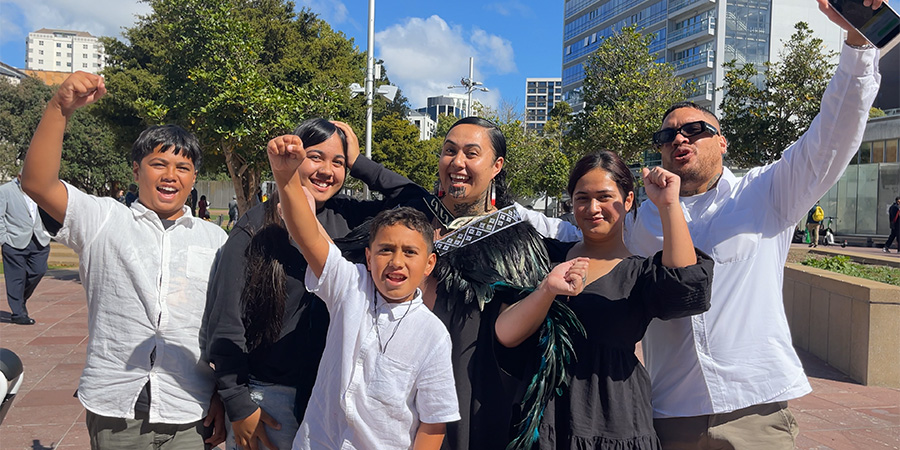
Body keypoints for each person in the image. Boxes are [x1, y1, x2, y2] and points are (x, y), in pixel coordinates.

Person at [625, 2, 882, 447]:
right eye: (666, 136)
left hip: (757, 412)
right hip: (669, 413)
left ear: (722, 142)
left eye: (695, 130)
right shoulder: (638, 220)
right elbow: (574, 237)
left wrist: (858, 41)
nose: (679, 139)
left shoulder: (765, 193)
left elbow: (831, 139)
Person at [20, 71, 227, 449]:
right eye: (158, 163)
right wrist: (59, 109)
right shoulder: (102, 219)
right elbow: (36, 182)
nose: (170, 176)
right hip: (116, 406)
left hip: (189, 406)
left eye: (182, 168)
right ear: (136, 169)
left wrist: (220, 394)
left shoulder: (214, 238)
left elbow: (219, 325)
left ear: (194, 176)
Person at [204, 119, 426, 450]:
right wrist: (238, 401)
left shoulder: (350, 217)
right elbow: (224, 321)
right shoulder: (255, 226)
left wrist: (359, 161)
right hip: (272, 400)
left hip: (335, 399)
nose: (327, 170)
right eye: (316, 157)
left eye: (338, 162)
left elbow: (419, 204)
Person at [496, 151, 713, 449]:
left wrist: (668, 204)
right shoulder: (547, 257)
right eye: (582, 198)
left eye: (605, 197)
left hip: (615, 419)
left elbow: (686, 286)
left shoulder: (641, 273)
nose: (593, 208)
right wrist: (547, 290)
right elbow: (506, 334)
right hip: (543, 419)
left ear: (627, 201)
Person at [267, 134, 460, 450]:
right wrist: (284, 176)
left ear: (429, 264)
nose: (396, 262)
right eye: (386, 250)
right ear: (368, 257)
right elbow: (307, 235)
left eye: (410, 252)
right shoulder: (349, 286)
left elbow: (433, 423)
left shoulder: (433, 334)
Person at [425, 116, 581, 450]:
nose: (457, 163)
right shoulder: (410, 230)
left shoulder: (514, 241)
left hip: (471, 406)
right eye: (449, 151)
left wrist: (546, 291)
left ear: (496, 165)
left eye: (471, 153)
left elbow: (511, 336)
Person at [0, 173, 51, 325]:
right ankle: (18, 313)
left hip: (39, 239)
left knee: (39, 270)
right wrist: (4, 239)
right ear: (19, 176)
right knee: (15, 277)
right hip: (14, 241)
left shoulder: (40, 190)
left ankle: (19, 299)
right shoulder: (5, 191)